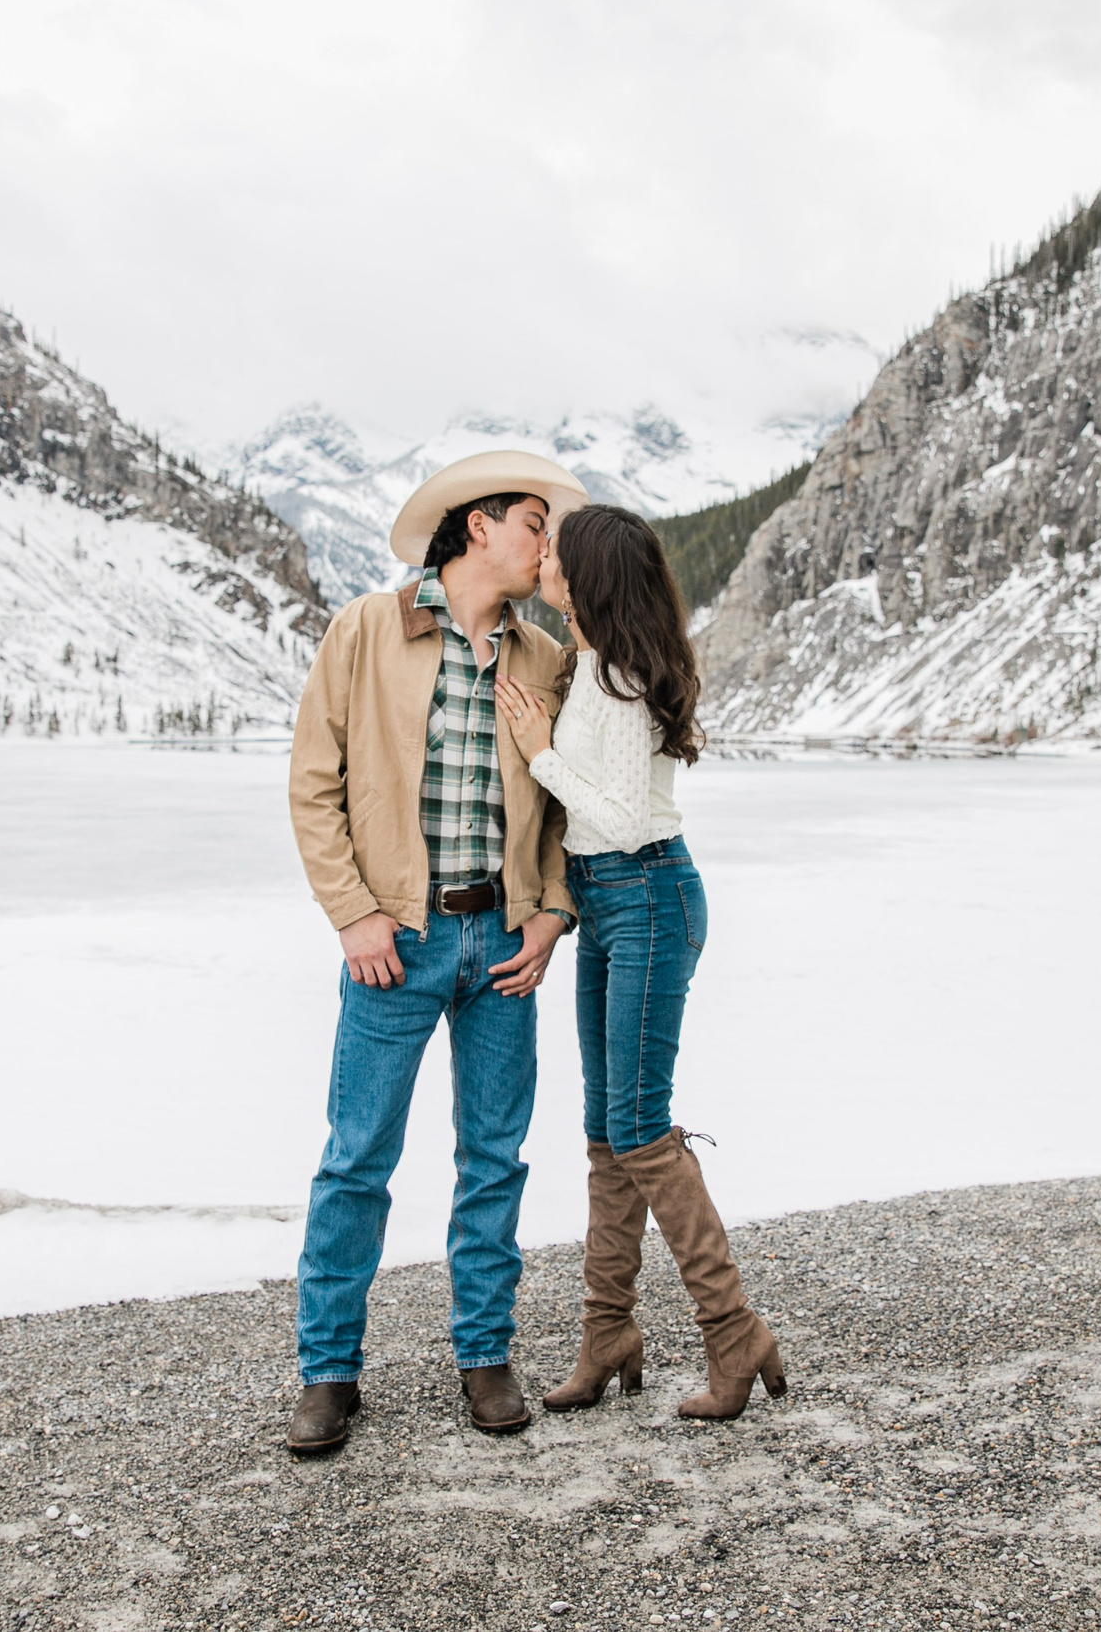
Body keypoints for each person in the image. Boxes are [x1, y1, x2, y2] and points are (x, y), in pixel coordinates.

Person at [282, 449, 588, 1454]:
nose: (545, 545)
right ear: (477, 527)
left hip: (503, 942)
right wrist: (353, 914)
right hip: (395, 940)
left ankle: (485, 1355)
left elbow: (566, 806)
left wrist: (551, 913)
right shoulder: (367, 629)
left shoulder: (543, 656)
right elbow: (314, 784)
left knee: (493, 1156)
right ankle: (329, 1371)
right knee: (357, 1158)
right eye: (534, 524)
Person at [493, 503, 787, 1422]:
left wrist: (539, 754)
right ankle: (608, 1333)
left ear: (586, 578)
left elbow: (620, 819)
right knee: (606, 1129)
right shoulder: (591, 667)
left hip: (649, 895)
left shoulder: (620, 680)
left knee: (640, 1126)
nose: (544, 558)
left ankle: (733, 1331)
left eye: (556, 551)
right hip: (610, 902)